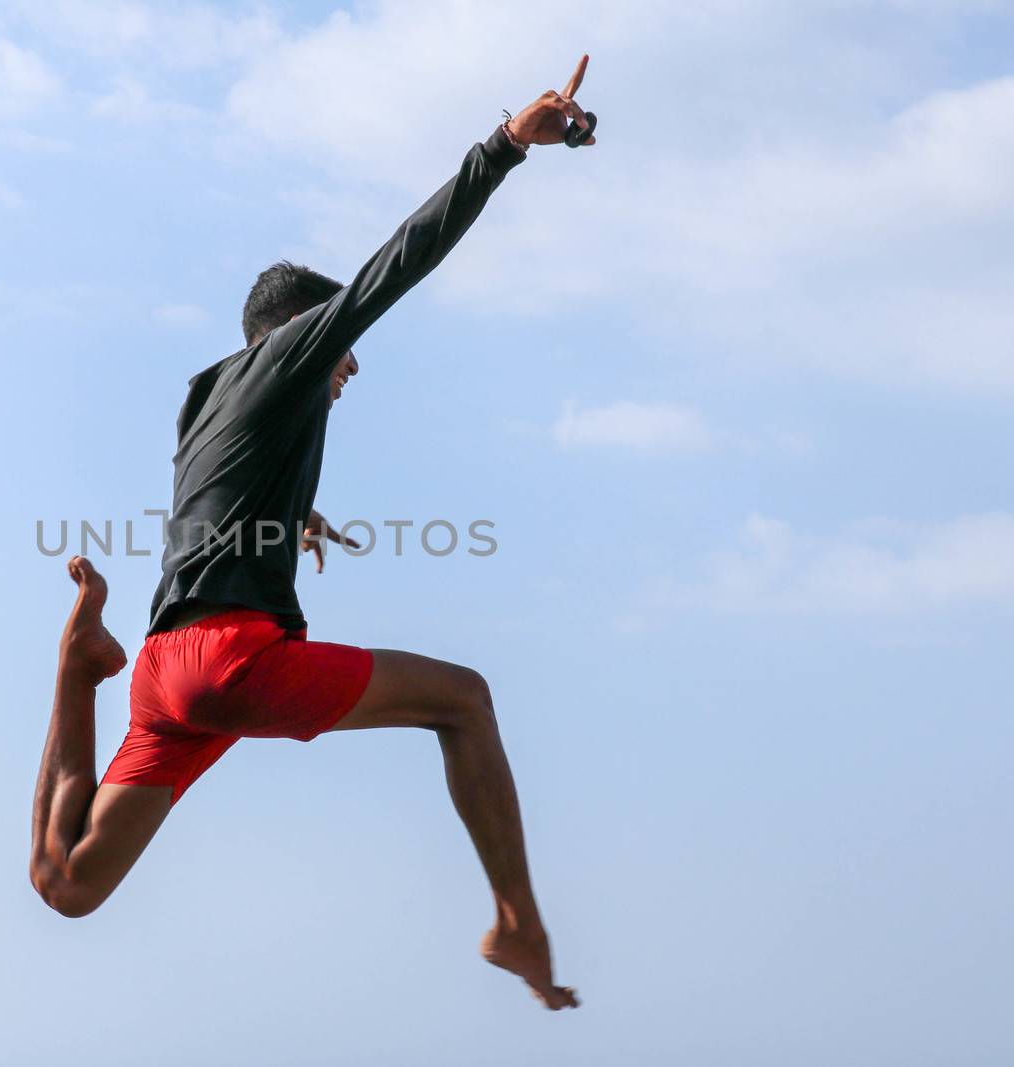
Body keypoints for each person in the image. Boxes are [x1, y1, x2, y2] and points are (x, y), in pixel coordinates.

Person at [30, 58, 596, 1010]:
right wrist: (504, 148)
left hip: (164, 669)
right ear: (296, 336)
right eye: (340, 347)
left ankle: (74, 663)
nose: (352, 366)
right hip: (229, 663)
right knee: (465, 698)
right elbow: (397, 262)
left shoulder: (206, 395)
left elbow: (214, 492)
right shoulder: (289, 357)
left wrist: (292, 517)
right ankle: (517, 922)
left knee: (69, 884)